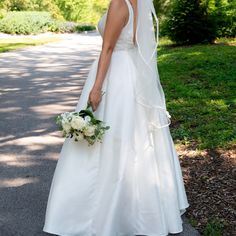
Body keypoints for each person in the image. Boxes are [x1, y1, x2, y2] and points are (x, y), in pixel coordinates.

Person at [43, 0, 189, 235]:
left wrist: (97, 87)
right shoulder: (136, 4)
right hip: (131, 73)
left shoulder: (119, 3)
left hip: (116, 76)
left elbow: (108, 48)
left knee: (107, 138)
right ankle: (138, 210)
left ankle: (97, 213)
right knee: (132, 137)